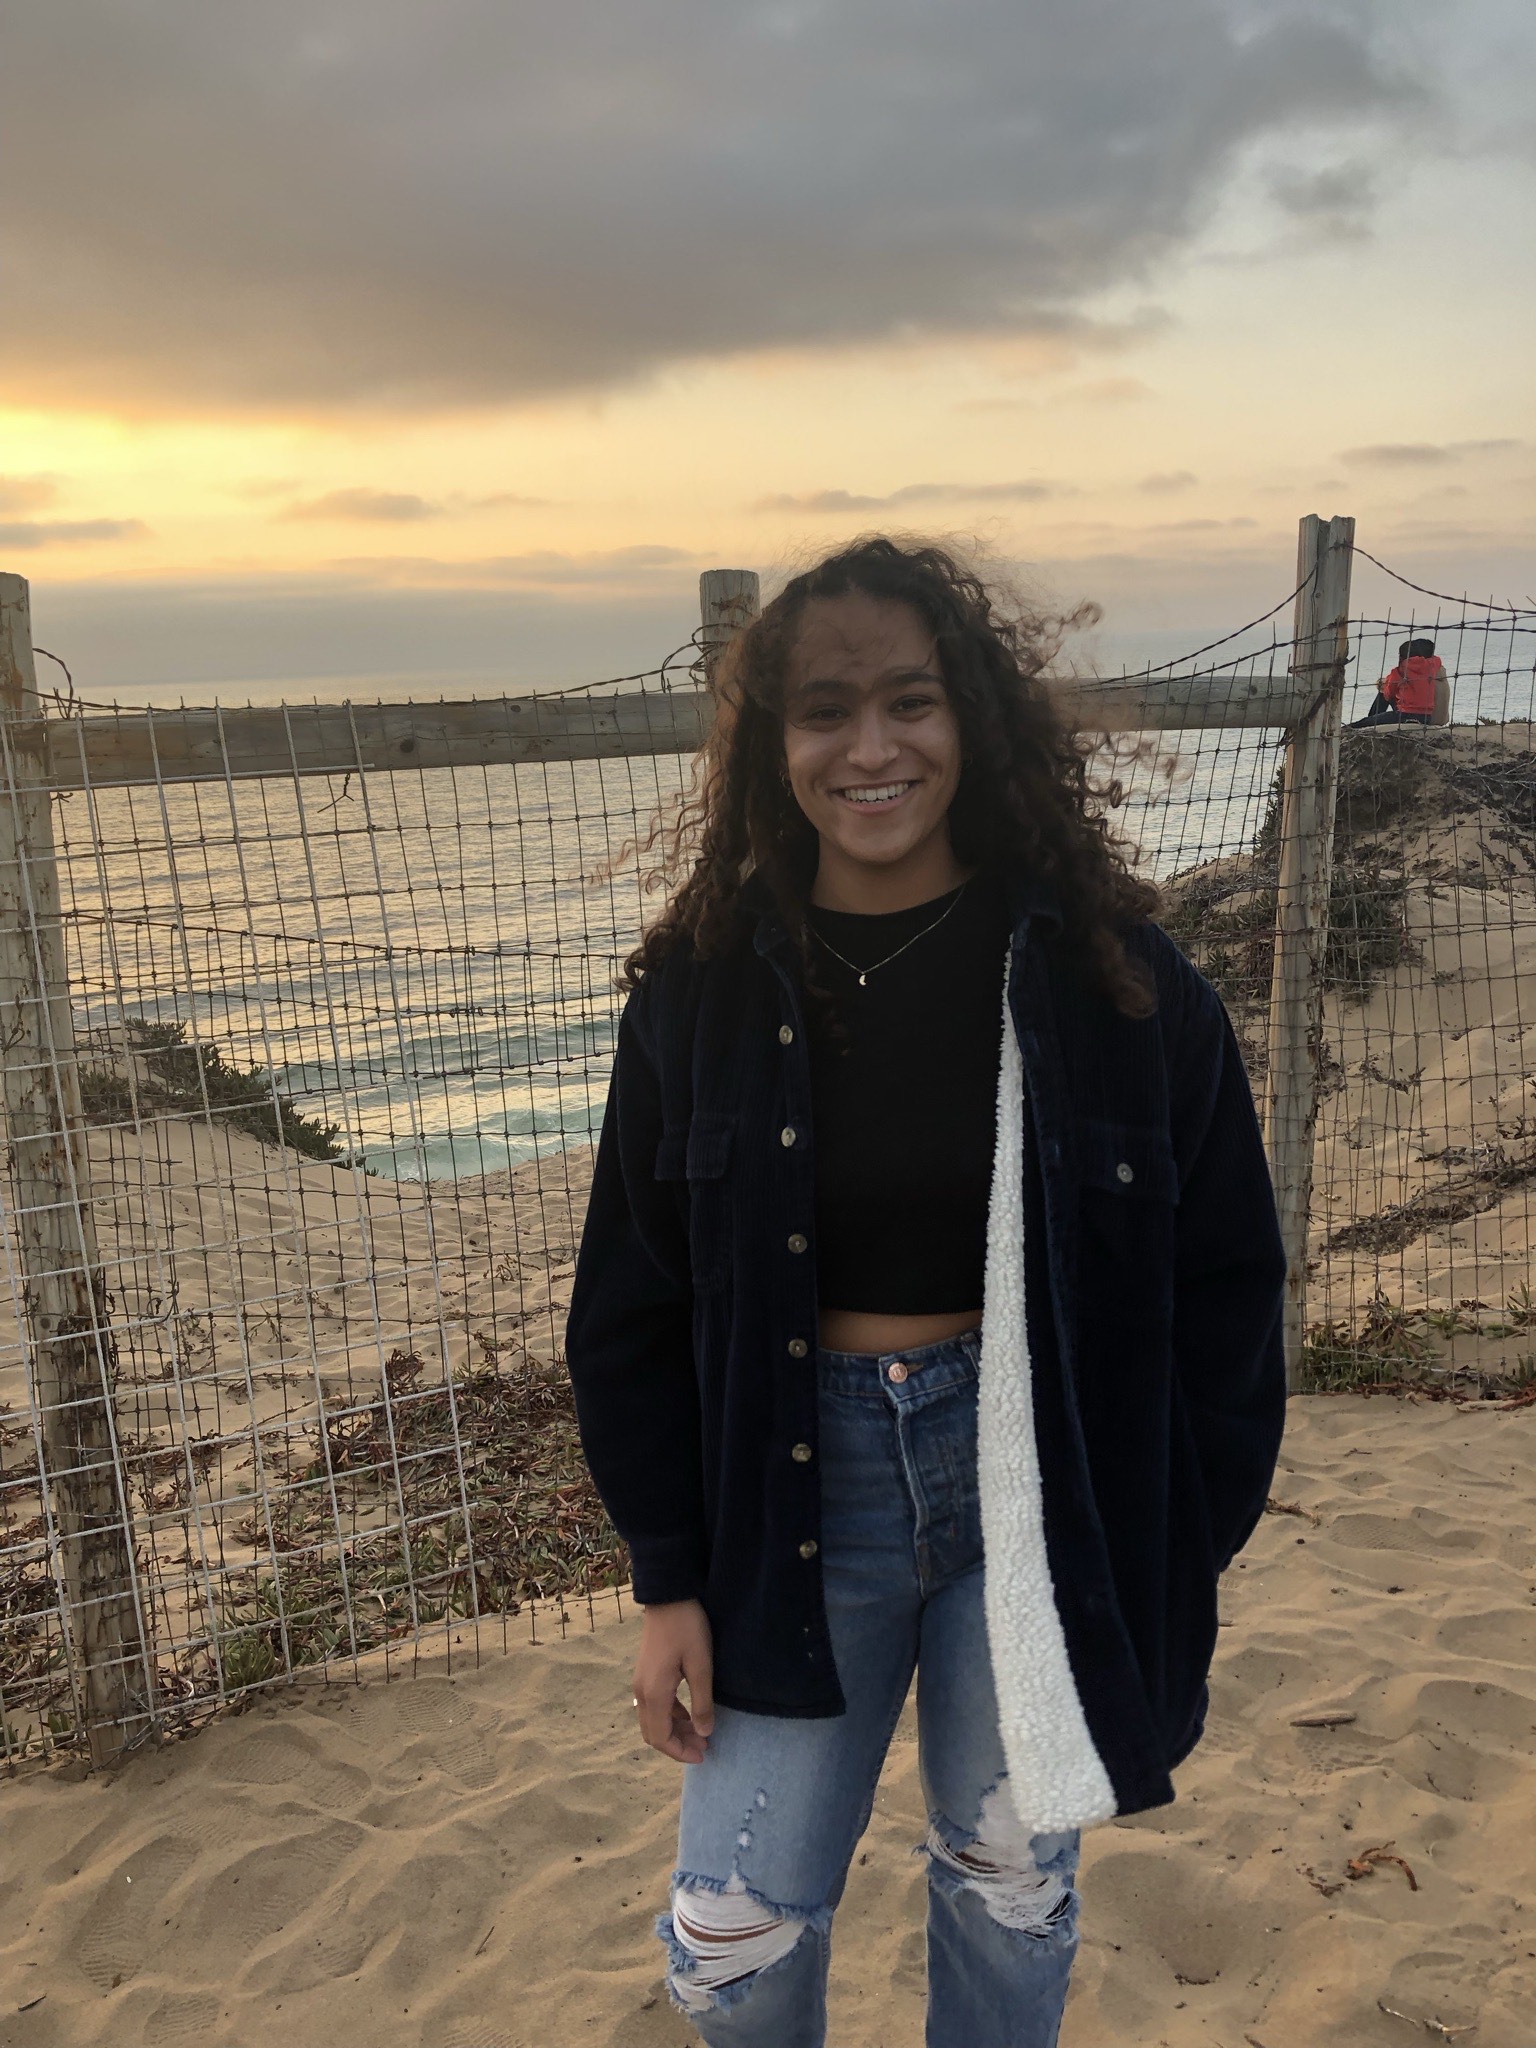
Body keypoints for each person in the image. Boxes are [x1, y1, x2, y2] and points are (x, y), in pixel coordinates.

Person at [565, 537, 1287, 2047]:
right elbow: (628, 1302)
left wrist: (1174, 1538)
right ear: (775, 747)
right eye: (826, 711)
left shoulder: (1120, 988)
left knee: (1007, 1886)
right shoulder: (701, 995)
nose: (872, 748)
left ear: (974, 722)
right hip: (794, 1495)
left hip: (1040, 1492)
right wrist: (666, 1577)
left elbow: (1229, 1291)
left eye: (912, 701)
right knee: (732, 1935)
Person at [1355, 637, 1444, 726]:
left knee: (1363, 722)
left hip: (1404, 715)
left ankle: (1370, 720)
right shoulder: (1431, 665)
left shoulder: (1399, 671)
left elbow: (1389, 694)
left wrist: (1385, 685)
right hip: (1426, 717)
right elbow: (1437, 659)